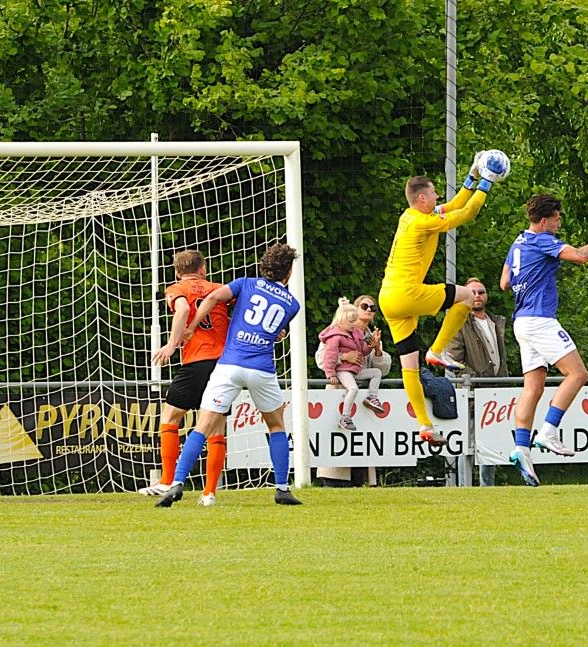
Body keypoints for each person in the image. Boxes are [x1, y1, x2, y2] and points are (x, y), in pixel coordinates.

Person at [157, 243, 303, 507]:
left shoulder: (245, 283)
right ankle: (282, 488)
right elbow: (276, 331)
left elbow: (213, 300)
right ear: (289, 273)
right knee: (276, 425)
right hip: (261, 368)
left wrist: (190, 328)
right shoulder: (293, 304)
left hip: (229, 364)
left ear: (263, 265)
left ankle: (176, 483)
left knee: (202, 425)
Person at [378, 153, 503, 446]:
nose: (437, 196)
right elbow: (467, 214)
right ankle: (437, 351)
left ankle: (425, 425)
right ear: (423, 198)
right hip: (407, 293)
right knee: (466, 297)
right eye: (434, 192)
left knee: (409, 365)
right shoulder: (423, 223)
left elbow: (457, 203)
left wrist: (472, 178)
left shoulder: (412, 215)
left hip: (388, 297)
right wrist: (487, 182)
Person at [499, 194, 588, 486]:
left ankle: (521, 448)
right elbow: (581, 256)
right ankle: (549, 431)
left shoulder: (518, 244)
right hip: (540, 320)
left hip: (522, 322)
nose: (559, 223)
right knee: (577, 373)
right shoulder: (542, 240)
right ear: (544, 221)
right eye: (557, 218)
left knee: (533, 387)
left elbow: (504, 283)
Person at [147, 250, 231, 503]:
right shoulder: (220, 289)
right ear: (203, 268)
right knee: (217, 427)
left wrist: (172, 344)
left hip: (196, 360)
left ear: (176, 271)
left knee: (170, 417)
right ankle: (209, 493)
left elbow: (183, 310)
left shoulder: (177, 288)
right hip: (224, 364)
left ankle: (166, 481)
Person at [444, 277, 509, 484]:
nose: (477, 296)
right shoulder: (459, 322)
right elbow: (453, 360)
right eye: (472, 292)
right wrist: (478, 380)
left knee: (491, 442)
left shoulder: (495, 321)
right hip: (471, 393)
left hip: (496, 392)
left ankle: (487, 487)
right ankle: (465, 486)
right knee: (468, 442)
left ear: (486, 295)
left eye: (481, 292)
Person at [319, 299, 385, 432]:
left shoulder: (360, 334)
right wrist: (332, 371)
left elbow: (364, 352)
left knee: (376, 372)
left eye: (373, 308)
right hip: (343, 373)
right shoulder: (335, 335)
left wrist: (374, 347)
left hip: (355, 371)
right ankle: (345, 417)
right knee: (353, 389)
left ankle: (372, 397)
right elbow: (326, 357)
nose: (369, 310)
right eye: (365, 306)